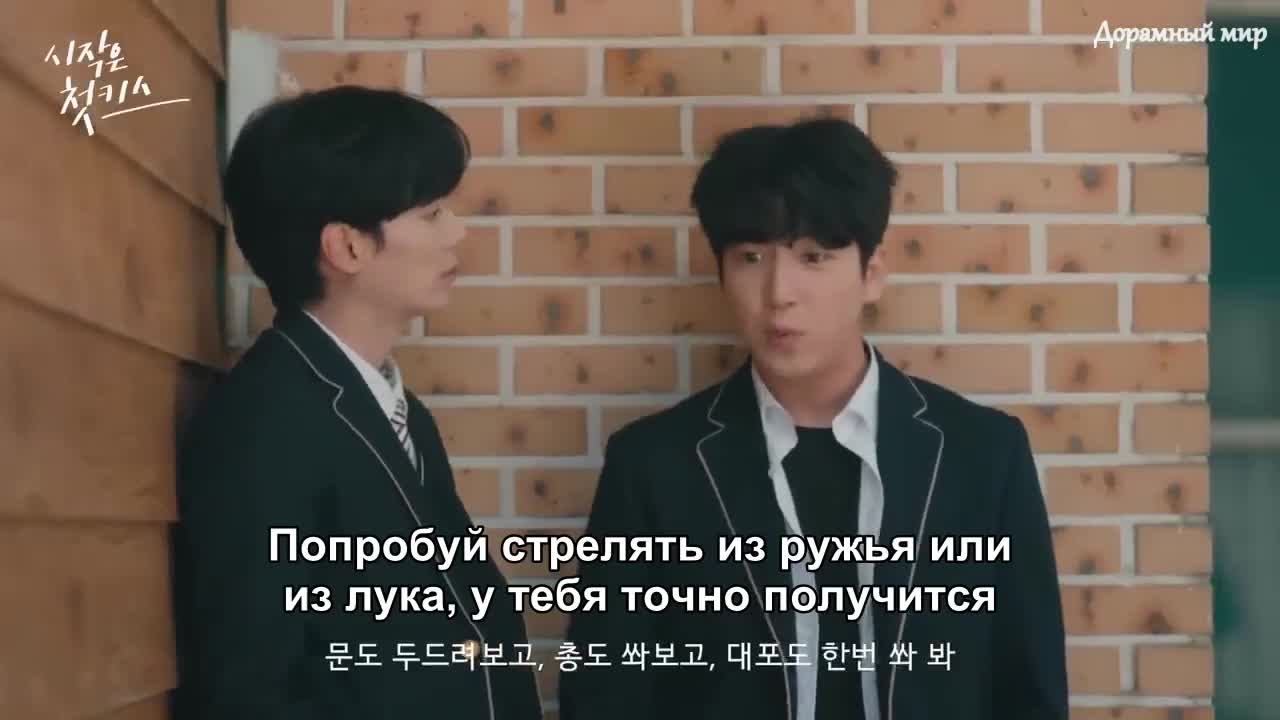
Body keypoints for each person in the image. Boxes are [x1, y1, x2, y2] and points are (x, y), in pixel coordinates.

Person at [557, 117, 1068, 720]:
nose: (779, 292)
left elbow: (1029, 689)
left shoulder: (981, 454)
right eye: (752, 257)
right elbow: (606, 692)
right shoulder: (652, 465)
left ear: (871, 274)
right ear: (720, 272)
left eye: (813, 257)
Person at [172, 85, 542, 720]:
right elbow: (252, 690)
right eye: (431, 213)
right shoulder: (263, 425)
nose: (458, 231)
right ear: (346, 247)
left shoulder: (400, 412)